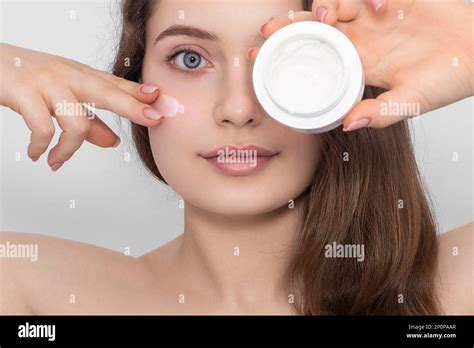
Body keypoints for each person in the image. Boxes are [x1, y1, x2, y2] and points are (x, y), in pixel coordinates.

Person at [0, 0, 472, 315]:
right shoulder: (30, 289)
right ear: (132, 76)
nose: (239, 110)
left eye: (280, 60)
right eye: (190, 59)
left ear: (347, 81)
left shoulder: (453, 289)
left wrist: (465, 43)